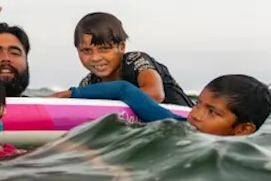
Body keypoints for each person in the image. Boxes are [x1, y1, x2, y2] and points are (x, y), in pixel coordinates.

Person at [53, 74, 269, 136]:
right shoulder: (175, 124)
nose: (197, 115)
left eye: (212, 112)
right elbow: (123, 89)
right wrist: (73, 93)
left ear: (243, 130)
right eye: (197, 104)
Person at [71, 12, 192, 107]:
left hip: (190, 128)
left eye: (104, 49)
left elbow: (155, 95)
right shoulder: (88, 83)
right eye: (86, 50)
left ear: (122, 47)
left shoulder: (135, 61)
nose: (95, 58)